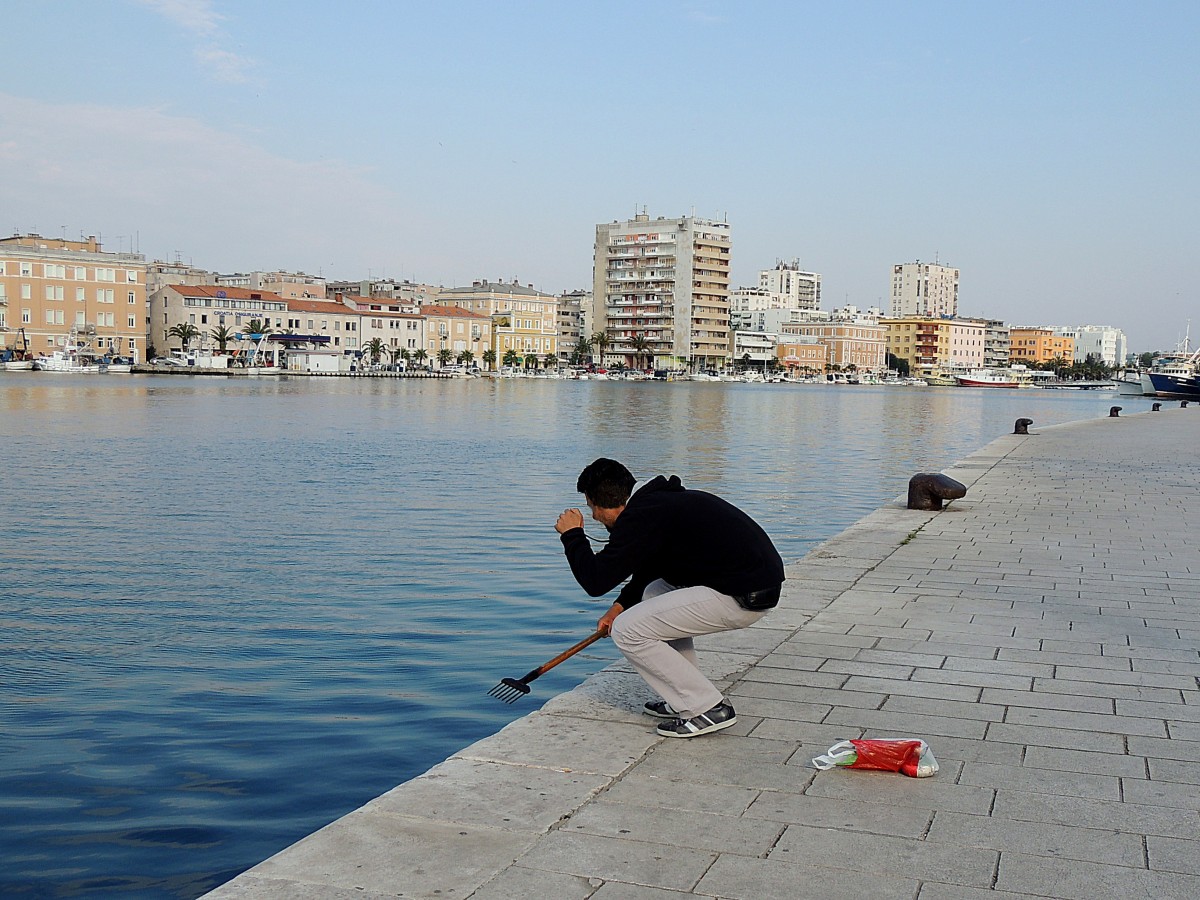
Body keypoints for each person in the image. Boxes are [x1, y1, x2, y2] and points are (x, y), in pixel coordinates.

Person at [555, 458, 785, 738]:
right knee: (654, 591)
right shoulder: (657, 505)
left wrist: (573, 536)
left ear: (603, 502)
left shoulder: (643, 515)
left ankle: (707, 707)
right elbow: (649, 571)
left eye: (592, 508)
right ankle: (683, 697)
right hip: (751, 586)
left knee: (628, 630)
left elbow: (595, 581)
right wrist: (619, 606)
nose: (593, 517)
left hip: (744, 596)